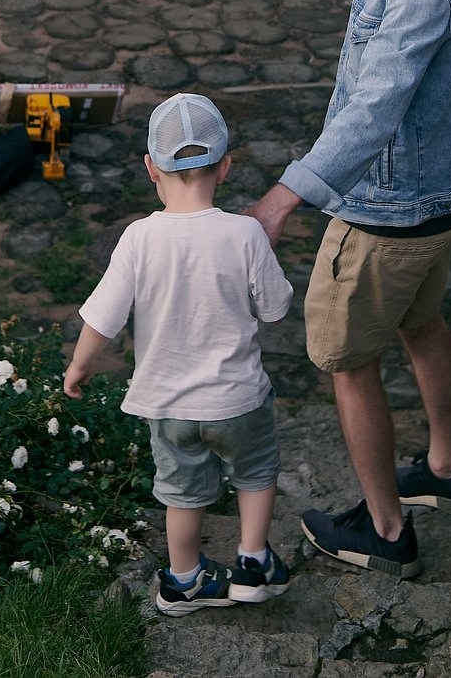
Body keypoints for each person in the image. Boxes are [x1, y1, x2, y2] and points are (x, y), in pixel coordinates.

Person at [248, 0, 451, 579]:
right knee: (422, 326)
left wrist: (285, 195)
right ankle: (448, 471)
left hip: (390, 210)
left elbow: (379, 101)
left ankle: (386, 532)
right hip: (442, 196)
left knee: (346, 358)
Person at [63, 92, 294, 616]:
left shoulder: (139, 238)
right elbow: (276, 308)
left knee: (181, 492)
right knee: (255, 472)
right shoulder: (245, 233)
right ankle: (253, 562)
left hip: (167, 404)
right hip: (238, 401)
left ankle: (185, 580)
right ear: (227, 167)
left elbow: (103, 316)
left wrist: (79, 367)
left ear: (150, 168)